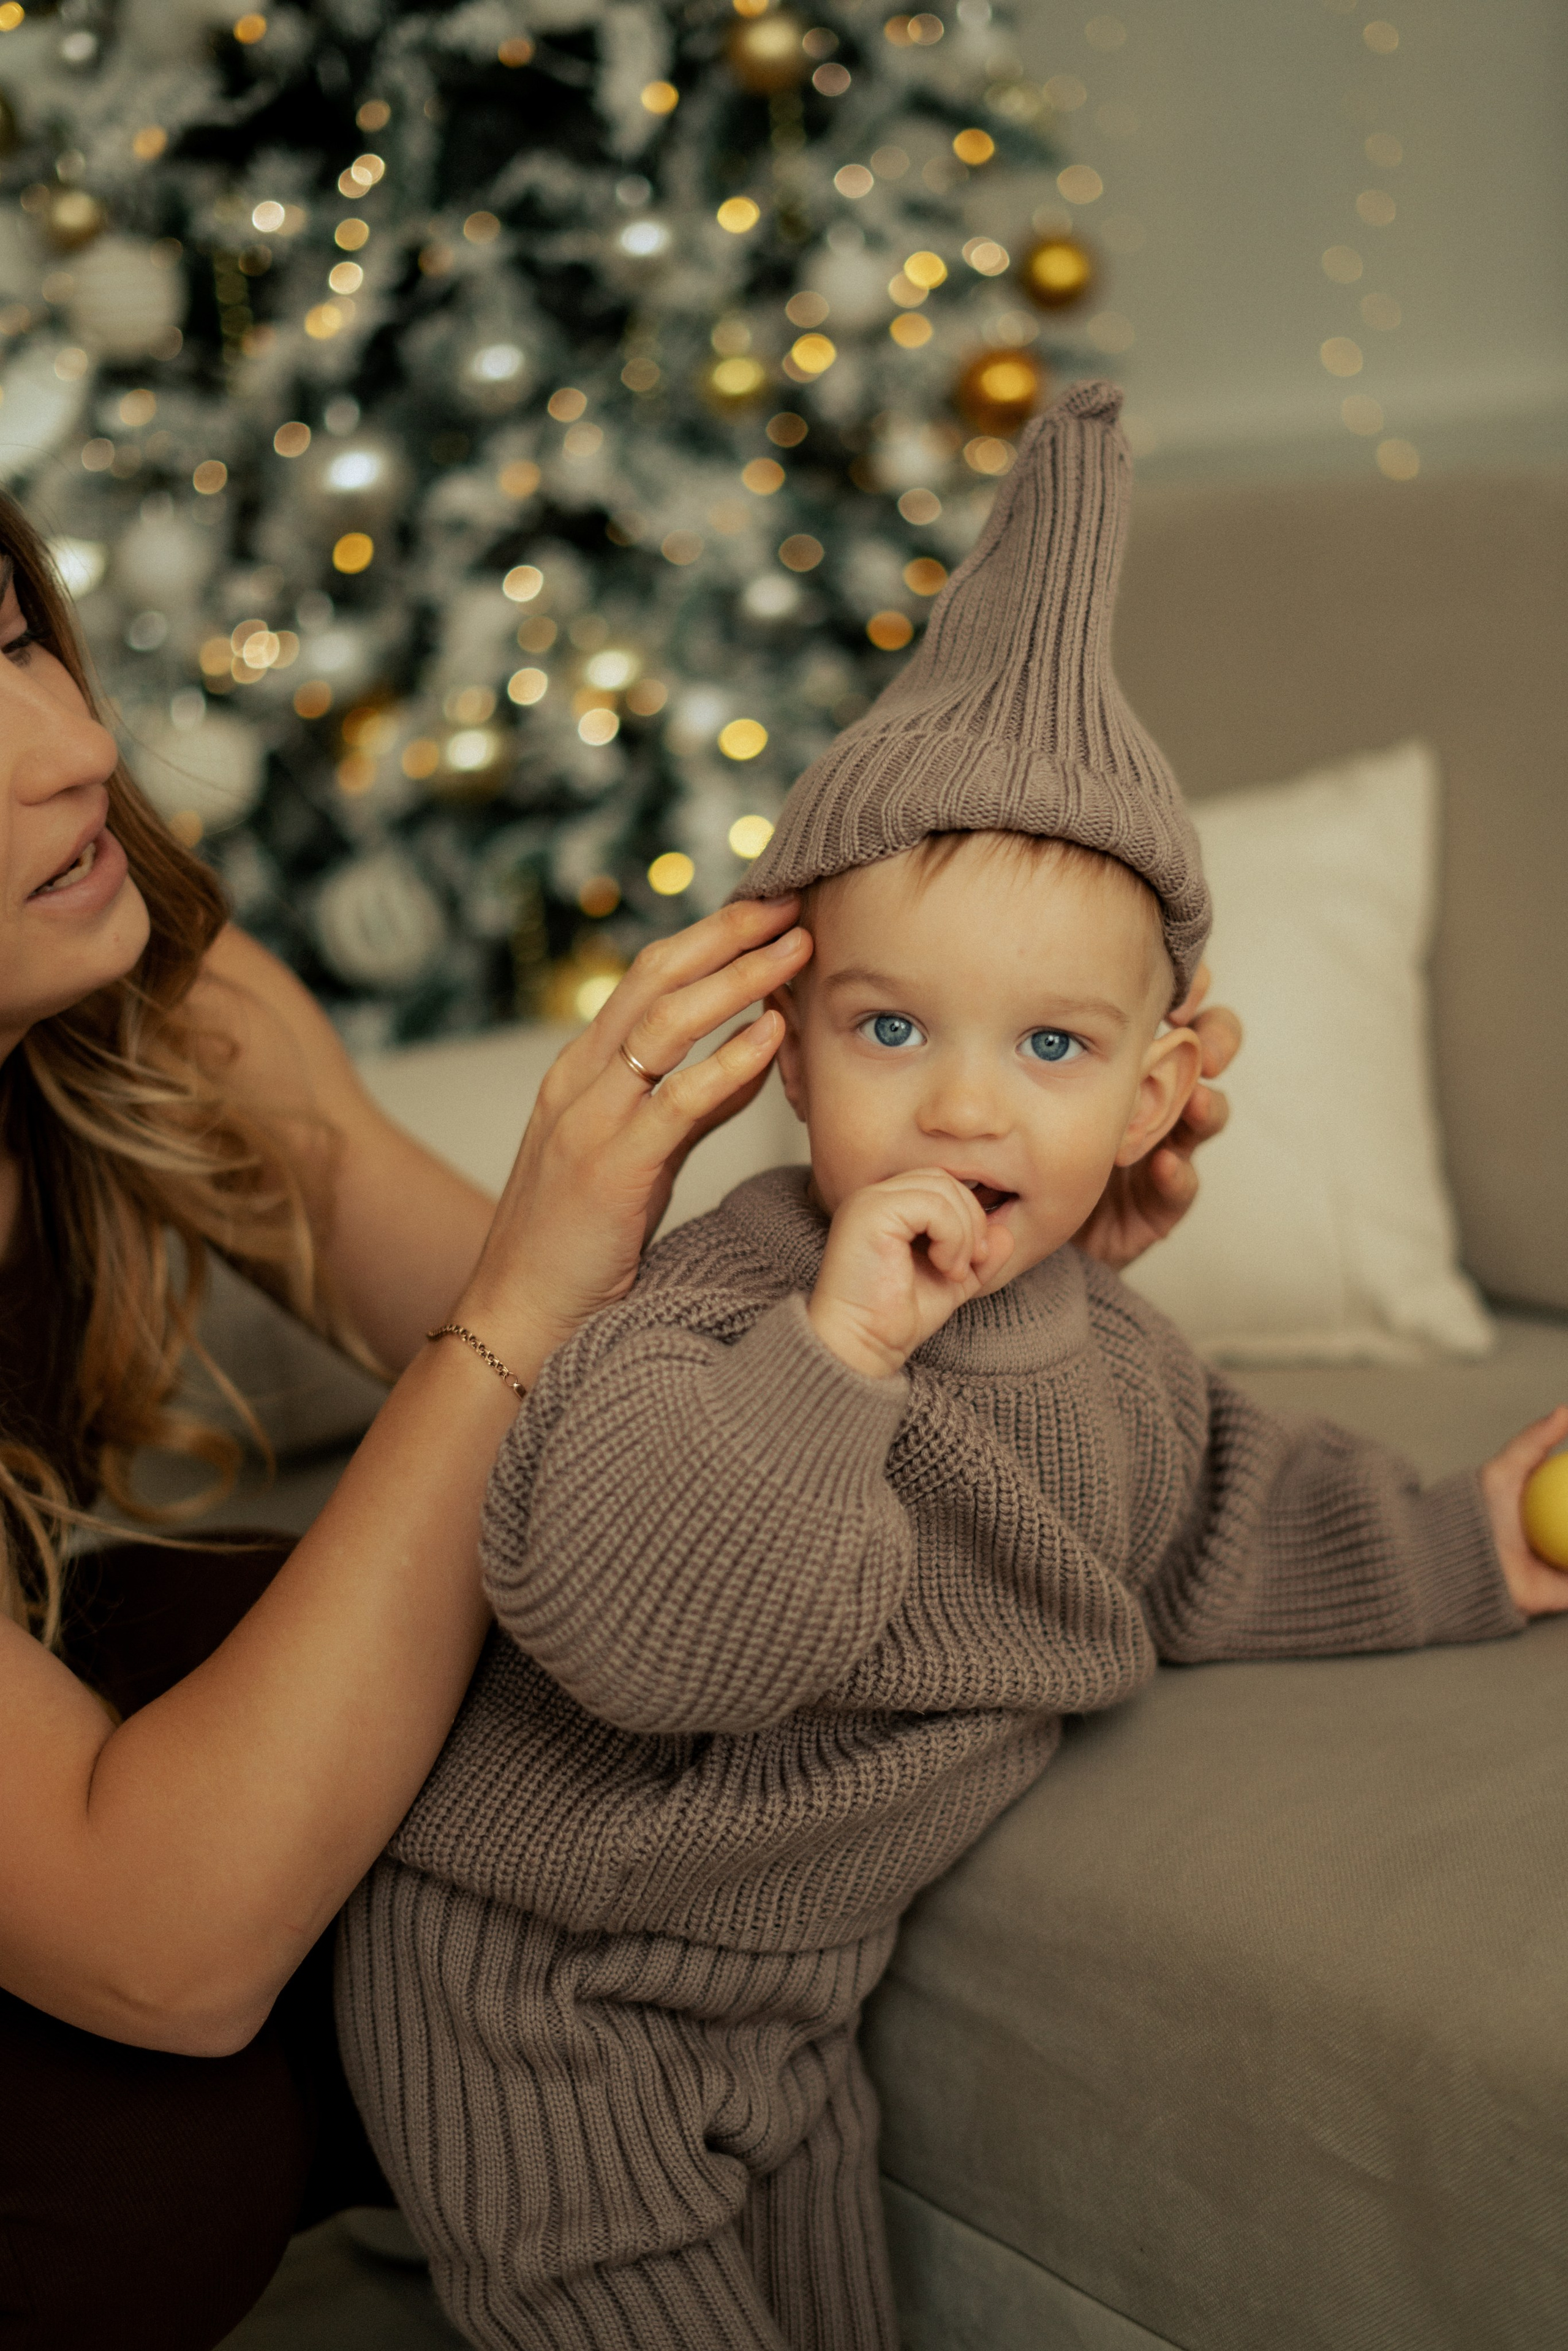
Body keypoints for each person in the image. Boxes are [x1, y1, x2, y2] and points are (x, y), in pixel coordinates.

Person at [337, 380, 1568, 2351]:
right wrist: (836, 1356)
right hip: (542, 1982)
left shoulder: (1125, 1372)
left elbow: (1226, 1527)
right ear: (787, 1045)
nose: (965, 1110)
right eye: (891, 1031)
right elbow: (652, 1639)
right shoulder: (717, 1317)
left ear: (1164, 1084)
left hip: (796, 2003)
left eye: (1053, 1053)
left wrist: (1469, 1542)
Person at [0, 469, 1237, 2351]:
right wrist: (534, 1280)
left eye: (17, 643)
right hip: (128, 1952)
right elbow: (167, 1953)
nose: (77, 745)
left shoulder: (149, 989)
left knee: (420, 1685)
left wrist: (993, 1263)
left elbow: (601, 1426)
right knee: (165, 2153)